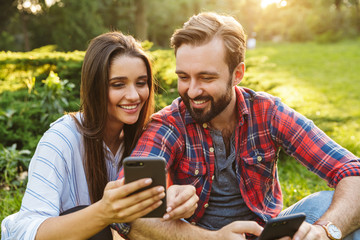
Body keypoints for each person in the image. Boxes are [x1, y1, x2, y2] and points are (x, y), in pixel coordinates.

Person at [115, 12, 360, 240]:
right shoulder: (169, 124)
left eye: (206, 78)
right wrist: (214, 239)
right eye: (183, 77)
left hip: (266, 233)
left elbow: (352, 171)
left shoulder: (268, 112)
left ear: (238, 73)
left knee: (330, 205)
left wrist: (325, 230)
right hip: (198, 237)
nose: (191, 91)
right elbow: (127, 212)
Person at [1, 32, 198, 240]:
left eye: (141, 83)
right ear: (95, 87)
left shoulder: (146, 141)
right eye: (118, 84)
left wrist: (174, 203)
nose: (133, 95)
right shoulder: (61, 140)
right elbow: (25, 232)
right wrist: (103, 212)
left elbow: (146, 225)